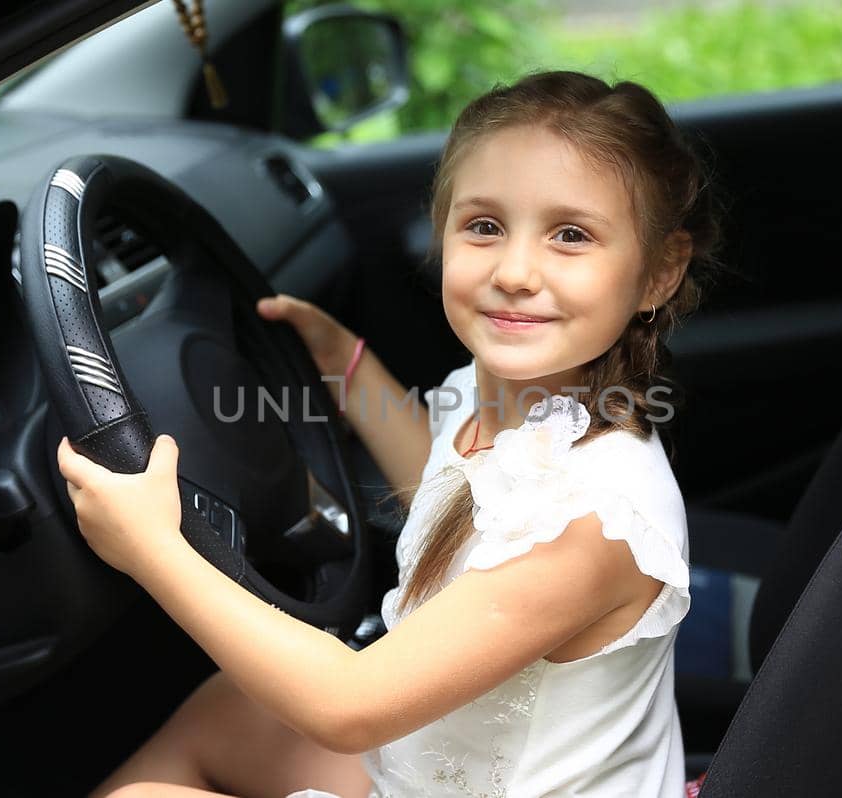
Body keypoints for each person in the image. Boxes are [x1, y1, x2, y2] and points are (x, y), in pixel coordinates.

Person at [55, 70, 722, 797]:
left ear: (659, 272)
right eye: (485, 226)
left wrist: (153, 548)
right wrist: (344, 364)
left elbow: (348, 708)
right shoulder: (508, 399)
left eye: (570, 236)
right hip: (458, 764)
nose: (516, 271)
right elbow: (451, 498)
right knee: (229, 711)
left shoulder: (593, 522)